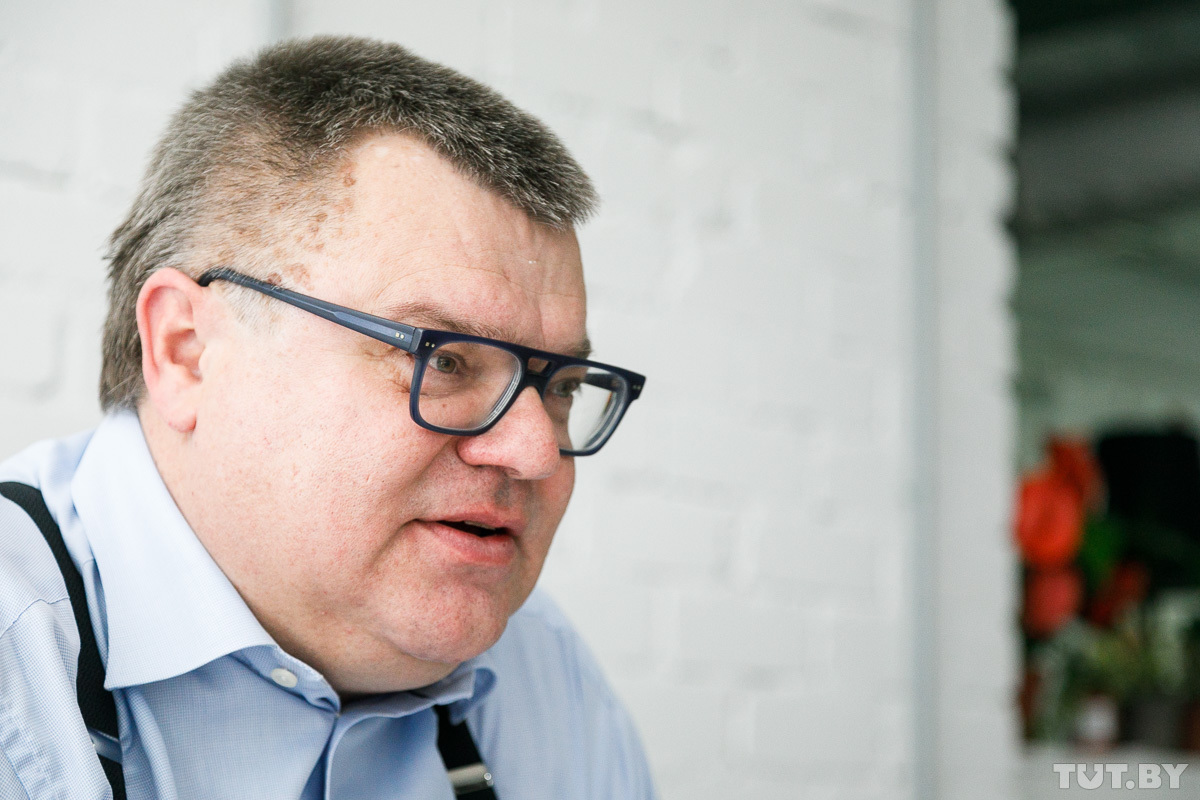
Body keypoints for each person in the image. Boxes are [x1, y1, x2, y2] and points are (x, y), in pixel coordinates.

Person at [0, 35, 653, 800]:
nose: (536, 450)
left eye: (562, 386)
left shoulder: (548, 679)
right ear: (187, 351)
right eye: (445, 360)